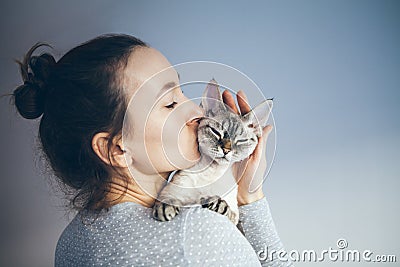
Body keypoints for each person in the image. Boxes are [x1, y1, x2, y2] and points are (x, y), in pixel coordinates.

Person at [11, 34, 293, 266]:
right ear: (117, 149)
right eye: (170, 103)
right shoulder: (196, 234)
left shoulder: (70, 242)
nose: (197, 110)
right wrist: (252, 198)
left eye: (182, 91)